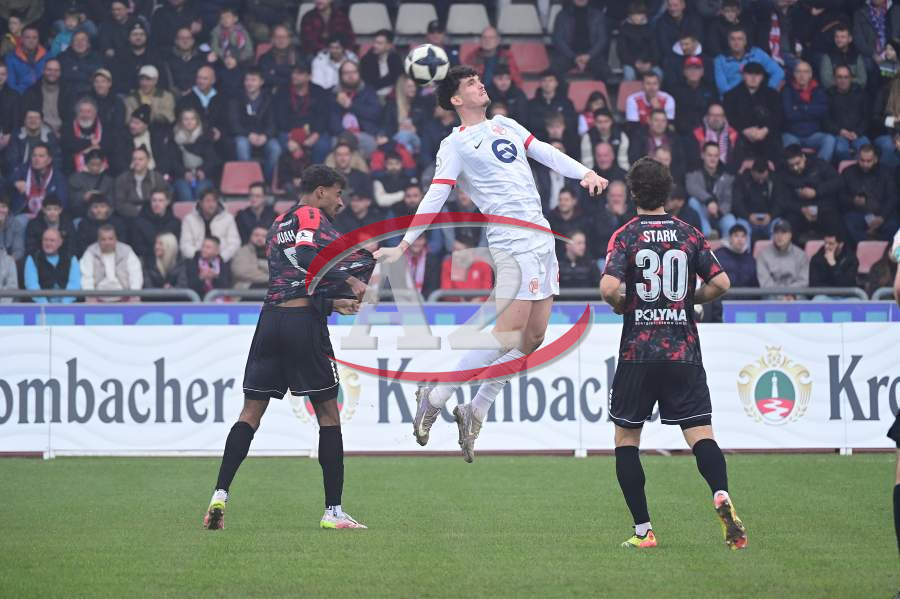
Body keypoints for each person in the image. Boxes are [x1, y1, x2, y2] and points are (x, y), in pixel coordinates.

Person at [374, 65, 607, 462]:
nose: (480, 84)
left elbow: (546, 152)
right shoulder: (455, 144)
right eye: (471, 83)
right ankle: (436, 396)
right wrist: (405, 243)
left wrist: (584, 172)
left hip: (541, 235)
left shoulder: (506, 124)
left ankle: (475, 409)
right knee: (507, 334)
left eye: (478, 80)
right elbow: (435, 195)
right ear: (456, 100)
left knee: (532, 338)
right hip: (511, 238)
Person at [203, 164, 372, 531]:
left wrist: (331, 303)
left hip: (270, 321)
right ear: (320, 191)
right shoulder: (310, 215)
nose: (340, 202)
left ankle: (220, 494)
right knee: (328, 415)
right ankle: (333, 512)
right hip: (301, 325)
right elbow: (307, 256)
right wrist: (351, 281)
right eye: (337, 194)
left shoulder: (278, 224)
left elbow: (292, 278)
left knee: (250, 413)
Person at [598, 156, 746, 550]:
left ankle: (643, 531)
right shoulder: (689, 234)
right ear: (669, 192)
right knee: (700, 434)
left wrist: (624, 304)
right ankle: (720, 492)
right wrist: (686, 300)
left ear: (633, 192)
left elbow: (609, 288)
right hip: (683, 350)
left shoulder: (626, 236)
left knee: (626, 439)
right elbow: (722, 283)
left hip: (638, 353)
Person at [778, 145, 843, 242]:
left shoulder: (819, 164)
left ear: (803, 157)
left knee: (836, 224)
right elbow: (783, 199)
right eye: (791, 165)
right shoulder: (783, 173)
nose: (795, 168)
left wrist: (817, 192)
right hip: (798, 209)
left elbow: (837, 181)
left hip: (823, 207)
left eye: (798, 163)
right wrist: (801, 209)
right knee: (787, 226)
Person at [723, 62, 784, 164]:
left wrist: (765, 130)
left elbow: (778, 116)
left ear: (762, 77)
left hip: (767, 135)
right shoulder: (730, 96)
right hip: (741, 135)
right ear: (743, 76)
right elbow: (729, 117)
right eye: (750, 74)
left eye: (757, 74)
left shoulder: (772, 95)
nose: (753, 78)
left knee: (775, 140)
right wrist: (744, 130)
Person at [230, 68, 281, 182]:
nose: (249, 83)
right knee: (241, 145)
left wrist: (265, 136)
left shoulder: (269, 99)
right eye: (247, 80)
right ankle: (248, 182)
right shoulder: (236, 98)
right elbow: (234, 123)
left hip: (264, 136)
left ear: (261, 82)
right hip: (244, 135)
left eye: (253, 80)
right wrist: (249, 135)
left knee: (275, 148)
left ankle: (265, 182)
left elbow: (273, 123)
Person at [839, 144, 898, 242]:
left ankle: (880, 246)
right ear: (857, 158)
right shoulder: (848, 172)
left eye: (868, 161)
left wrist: (882, 217)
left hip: (882, 214)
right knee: (847, 224)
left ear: (875, 159)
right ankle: (866, 243)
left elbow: (893, 197)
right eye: (862, 160)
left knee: (894, 226)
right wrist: (853, 200)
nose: (865, 164)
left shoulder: (886, 172)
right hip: (859, 214)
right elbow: (840, 195)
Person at [782, 61, 835, 162]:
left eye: (805, 72)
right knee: (790, 146)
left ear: (810, 75)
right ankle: (796, 169)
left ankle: (819, 168)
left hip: (813, 134)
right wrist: (811, 110)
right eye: (799, 72)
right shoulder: (787, 90)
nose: (802, 75)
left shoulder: (818, 90)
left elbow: (822, 111)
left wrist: (801, 108)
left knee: (829, 139)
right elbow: (789, 115)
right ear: (794, 74)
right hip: (792, 134)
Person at [686, 142, 739, 239]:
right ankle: (709, 235)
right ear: (703, 155)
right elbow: (691, 188)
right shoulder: (694, 170)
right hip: (702, 211)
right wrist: (709, 201)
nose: (713, 159)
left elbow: (728, 200)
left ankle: (727, 247)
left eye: (716, 156)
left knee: (730, 220)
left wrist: (718, 211)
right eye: (709, 155)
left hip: (719, 213)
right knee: (692, 201)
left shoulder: (727, 174)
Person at [80, 223, 143, 302]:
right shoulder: (90, 252)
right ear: (98, 240)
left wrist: (134, 294)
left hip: (125, 298)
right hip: (98, 299)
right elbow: (86, 277)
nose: (107, 242)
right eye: (103, 239)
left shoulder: (126, 251)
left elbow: (135, 274)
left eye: (110, 239)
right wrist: (90, 296)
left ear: (116, 239)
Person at [713, 26, 784, 96]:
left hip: (758, 97)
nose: (736, 42)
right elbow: (722, 88)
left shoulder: (757, 54)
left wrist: (768, 92)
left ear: (745, 41)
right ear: (728, 42)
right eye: (733, 39)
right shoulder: (720, 60)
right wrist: (736, 98)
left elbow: (778, 72)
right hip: (733, 99)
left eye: (740, 39)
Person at [170, 107, 220, 202]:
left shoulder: (205, 137)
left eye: (192, 119)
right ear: (181, 122)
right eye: (186, 119)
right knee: (185, 192)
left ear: (197, 121)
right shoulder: (174, 139)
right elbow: (173, 161)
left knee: (201, 191)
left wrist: (203, 171)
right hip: (182, 177)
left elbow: (212, 160)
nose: (189, 122)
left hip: (203, 176)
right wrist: (184, 173)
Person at [731, 159, 786, 241]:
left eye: (763, 179)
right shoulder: (742, 180)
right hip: (748, 218)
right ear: (752, 172)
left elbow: (780, 202)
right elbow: (737, 203)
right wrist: (748, 216)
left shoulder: (775, 180)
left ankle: (773, 250)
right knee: (741, 227)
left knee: (778, 226)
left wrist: (771, 216)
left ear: (767, 172)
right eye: (758, 179)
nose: (760, 182)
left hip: (769, 218)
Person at [11, 142, 67, 221]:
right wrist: (14, 183)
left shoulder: (58, 177)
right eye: (34, 155)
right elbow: (6, 183)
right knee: (18, 221)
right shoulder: (23, 170)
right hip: (24, 213)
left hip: (46, 215)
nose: (36, 159)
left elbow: (62, 202)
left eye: (41, 156)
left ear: (49, 160)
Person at [180, 189, 240, 262]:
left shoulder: (228, 218)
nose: (211, 205)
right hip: (195, 259)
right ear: (201, 203)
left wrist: (220, 257)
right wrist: (200, 257)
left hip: (222, 259)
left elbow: (234, 243)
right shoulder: (189, 219)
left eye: (214, 201)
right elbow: (185, 245)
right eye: (208, 201)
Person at [826, 65, 870, 162]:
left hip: (858, 134)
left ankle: (859, 169)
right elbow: (825, 119)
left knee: (867, 151)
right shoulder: (828, 94)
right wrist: (840, 131)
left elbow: (867, 118)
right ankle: (849, 169)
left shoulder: (861, 93)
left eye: (846, 77)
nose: (843, 80)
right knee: (840, 149)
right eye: (839, 77)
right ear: (834, 79)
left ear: (851, 78)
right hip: (839, 134)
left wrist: (857, 132)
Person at [23, 227, 80, 304]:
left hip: (67, 305)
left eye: (52, 240)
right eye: (45, 240)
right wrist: (45, 305)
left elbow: (74, 284)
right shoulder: (33, 258)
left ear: (60, 242)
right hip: (40, 306)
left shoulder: (71, 258)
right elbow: (32, 285)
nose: (48, 243)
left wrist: (65, 304)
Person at [756, 218, 809, 297]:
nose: (779, 236)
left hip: (796, 296)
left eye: (783, 233)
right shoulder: (763, 255)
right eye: (776, 233)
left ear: (790, 235)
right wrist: (781, 296)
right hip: (772, 296)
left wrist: (790, 295)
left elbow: (803, 281)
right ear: (773, 235)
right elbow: (765, 283)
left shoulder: (801, 255)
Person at [113, 146, 171, 219]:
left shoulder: (157, 178)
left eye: (140, 159)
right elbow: (119, 204)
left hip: (154, 216)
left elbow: (168, 197)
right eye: (134, 159)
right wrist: (140, 213)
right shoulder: (122, 179)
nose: (137, 162)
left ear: (148, 161)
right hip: (130, 218)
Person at [123, 65, 176, 129]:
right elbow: (127, 119)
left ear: (155, 80)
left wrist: (148, 115)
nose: (144, 83)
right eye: (142, 79)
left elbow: (169, 117)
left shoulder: (165, 96)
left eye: (148, 79)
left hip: (159, 129)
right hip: (136, 130)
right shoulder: (131, 97)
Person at [617, 2, 660, 83]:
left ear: (644, 15)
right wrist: (634, 63)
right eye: (634, 14)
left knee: (659, 73)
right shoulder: (624, 29)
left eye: (640, 14)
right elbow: (622, 51)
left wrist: (650, 63)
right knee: (629, 75)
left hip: (648, 63)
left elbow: (655, 49)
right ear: (629, 16)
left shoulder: (650, 29)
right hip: (630, 63)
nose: (637, 17)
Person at [131, 189, 180, 259]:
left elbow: (177, 247)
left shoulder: (175, 223)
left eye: (160, 200)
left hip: (170, 259)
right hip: (147, 260)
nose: (157, 204)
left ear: (167, 202)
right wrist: (157, 252)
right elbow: (138, 248)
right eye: (154, 200)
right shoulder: (139, 222)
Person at [22, 58, 63, 135]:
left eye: (56, 70)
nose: (52, 73)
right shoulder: (31, 91)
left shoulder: (67, 91)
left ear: (60, 72)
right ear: (43, 71)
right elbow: (27, 118)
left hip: (63, 133)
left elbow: (70, 117)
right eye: (49, 70)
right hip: (38, 132)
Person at [359, 29, 403, 100]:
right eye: (375, 42)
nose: (375, 45)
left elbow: (399, 79)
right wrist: (390, 79)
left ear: (389, 46)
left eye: (379, 43)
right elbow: (370, 85)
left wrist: (384, 81)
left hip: (394, 97)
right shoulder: (366, 60)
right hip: (372, 96)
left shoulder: (395, 59)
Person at [257, 24, 303, 91]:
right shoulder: (265, 59)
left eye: (284, 37)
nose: (281, 40)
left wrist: (275, 73)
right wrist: (289, 78)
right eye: (277, 37)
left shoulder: (299, 56)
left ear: (289, 39)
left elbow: (302, 77)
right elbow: (266, 78)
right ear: (272, 39)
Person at [820, 25, 867, 89]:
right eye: (837, 37)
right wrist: (850, 80)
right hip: (834, 93)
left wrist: (840, 80)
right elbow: (826, 82)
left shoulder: (856, 56)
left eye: (843, 37)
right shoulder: (828, 56)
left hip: (854, 92)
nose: (839, 40)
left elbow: (863, 81)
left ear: (850, 39)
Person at [162, 28, 206, 96]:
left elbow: (204, 80)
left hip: (198, 95)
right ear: (176, 41)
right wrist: (180, 93)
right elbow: (168, 82)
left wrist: (193, 91)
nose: (185, 41)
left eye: (188, 38)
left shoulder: (201, 59)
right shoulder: (168, 60)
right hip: (175, 97)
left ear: (193, 41)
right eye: (182, 38)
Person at [5, 26, 48, 95]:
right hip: (20, 96)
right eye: (28, 37)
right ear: (22, 39)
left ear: (38, 39)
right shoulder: (11, 58)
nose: (31, 41)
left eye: (34, 38)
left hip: (44, 95)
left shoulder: (48, 56)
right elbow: (11, 85)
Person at [715, 223, 758, 287]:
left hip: (747, 293)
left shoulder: (750, 259)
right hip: (725, 292)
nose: (740, 239)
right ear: (730, 238)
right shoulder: (718, 255)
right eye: (736, 236)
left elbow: (755, 284)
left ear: (746, 239)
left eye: (743, 236)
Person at [0, 195, 25, 261]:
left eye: (3, 206)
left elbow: (18, 250)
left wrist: (7, 262)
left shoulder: (15, 224)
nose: (0, 210)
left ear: (8, 209)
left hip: (8, 262)